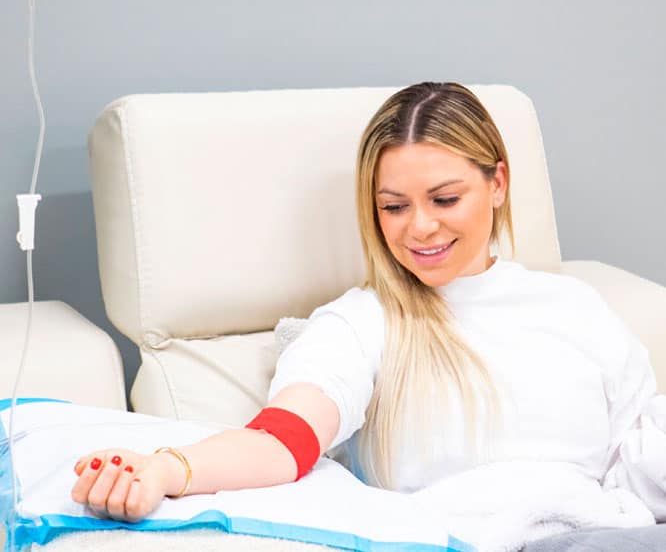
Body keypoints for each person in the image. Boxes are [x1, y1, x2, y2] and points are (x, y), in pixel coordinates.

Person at [71, 82, 665, 544]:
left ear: (499, 184)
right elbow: (284, 440)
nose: (420, 227)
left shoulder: (574, 306)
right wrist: (166, 471)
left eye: (445, 198)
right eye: (394, 206)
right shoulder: (362, 324)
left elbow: (641, 457)